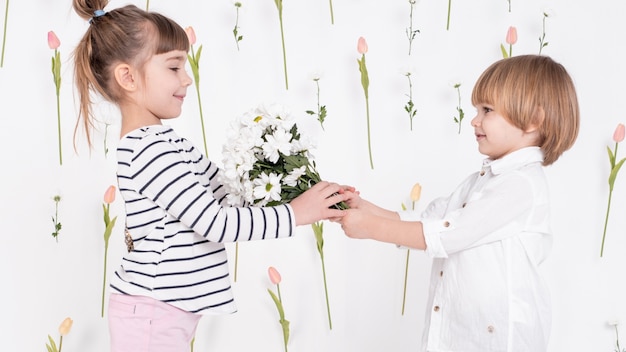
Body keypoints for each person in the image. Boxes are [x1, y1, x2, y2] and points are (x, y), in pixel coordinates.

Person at [71, 1, 349, 351]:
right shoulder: (149, 151)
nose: (186, 79)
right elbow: (216, 223)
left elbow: (226, 193)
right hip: (152, 313)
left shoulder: (166, 142)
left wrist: (296, 188)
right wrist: (297, 214)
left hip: (162, 311)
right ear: (127, 77)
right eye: (174, 67)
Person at [337, 55, 579, 351]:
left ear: (533, 120)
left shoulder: (520, 184)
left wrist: (370, 227)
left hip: (498, 339)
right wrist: (364, 207)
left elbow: (450, 235)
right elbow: (431, 220)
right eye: (477, 109)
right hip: (461, 334)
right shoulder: (483, 178)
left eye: (487, 110)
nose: (474, 120)